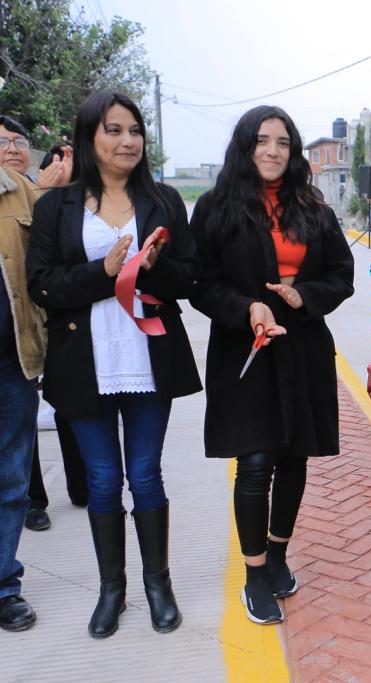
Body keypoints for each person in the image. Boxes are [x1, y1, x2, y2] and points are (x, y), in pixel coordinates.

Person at [26, 91, 202, 638]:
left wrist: (153, 266)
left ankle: (158, 585)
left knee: (145, 476)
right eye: (114, 130)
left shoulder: (164, 199)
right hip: (85, 363)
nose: (128, 141)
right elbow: (42, 287)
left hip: (148, 360)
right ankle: (112, 590)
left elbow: (191, 280)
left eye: (135, 130)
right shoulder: (56, 207)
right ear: (90, 136)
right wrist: (104, 271)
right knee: (102, 482)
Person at [190, 105, 354, 625]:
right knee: (256, 461)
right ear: (244, 146)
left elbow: (341, 273)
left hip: (301, 348)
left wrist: (303, 296)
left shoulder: (313, 208)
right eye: (262, 141)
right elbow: (200, 282)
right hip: (246, 350)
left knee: (294, 458)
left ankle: (279, 553)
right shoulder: (217, 207)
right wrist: (247, 308)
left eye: (283, 142)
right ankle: (255, 573)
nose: (272, 151)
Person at [0, 119, 86, 532]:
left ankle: (40, 501)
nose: (14, 148)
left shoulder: (30, 194)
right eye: (4, 141)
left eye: (20, 141)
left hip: (23, 343)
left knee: (17, 456)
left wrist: (54, 190)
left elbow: (60, 246)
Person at [0, 163, 43, 632]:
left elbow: (46, 270)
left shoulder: (20, 194)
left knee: (11, 483)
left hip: (11, 364)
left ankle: (3, 587)